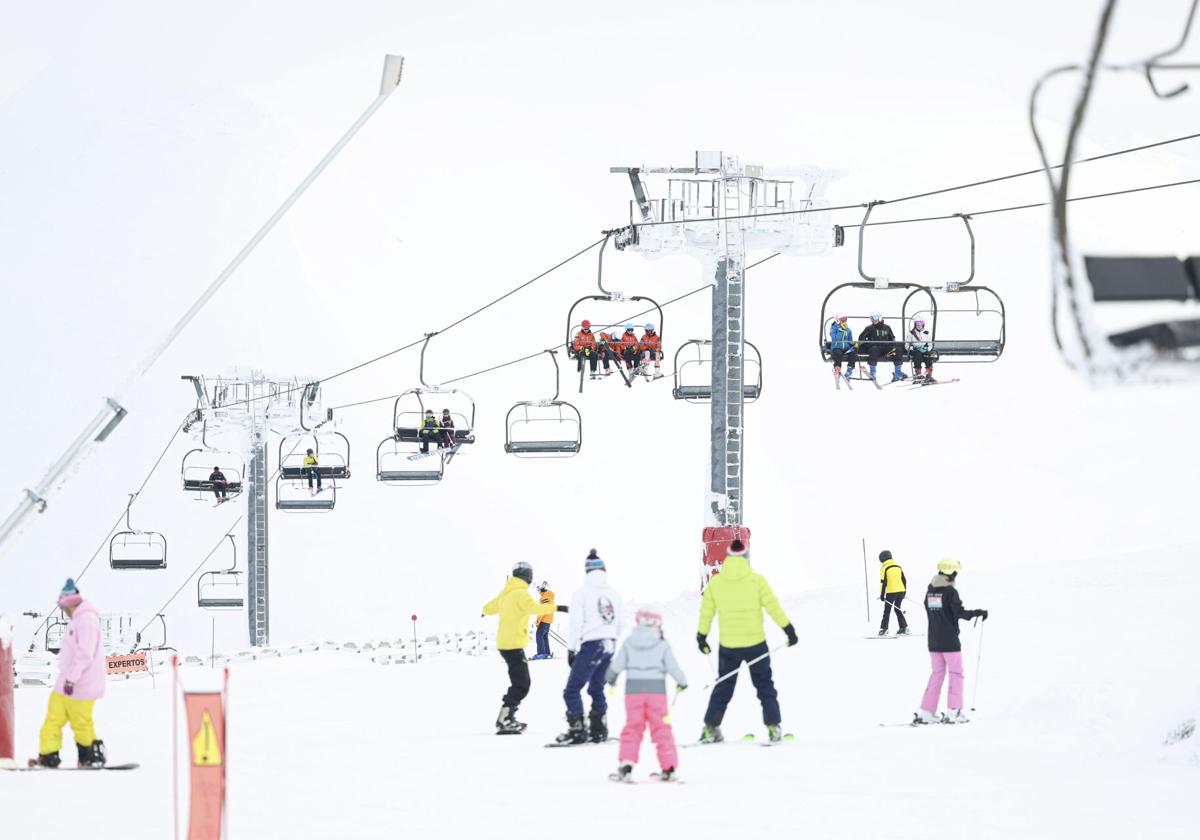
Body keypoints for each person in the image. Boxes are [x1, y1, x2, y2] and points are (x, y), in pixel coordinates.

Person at [696, 539, 797, 743]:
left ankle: (710, 728)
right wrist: (788, 630)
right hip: (756, 645)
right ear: (746, 557)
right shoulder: (756, 580)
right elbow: (773, 607)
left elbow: (707, 612)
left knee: (723, 687)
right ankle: (773, 727)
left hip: (728, 646)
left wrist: (702, 636)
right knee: (764, 686)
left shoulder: (716, 582)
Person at [30, 579, 106, 768]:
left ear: (70, 603)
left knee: (81, 722)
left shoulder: (87, 620)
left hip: (81, 684)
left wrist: (72, 678)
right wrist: (66, 678)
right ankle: (48, 756)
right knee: (52, 718)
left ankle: (89, 757)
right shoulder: (78, 620)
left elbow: (85, 654)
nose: (63, 610)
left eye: (63, 606)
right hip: (65, 683)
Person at [607, 610, 686, 783]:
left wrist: (611, 677)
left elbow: (617, 664)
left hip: (633, 692)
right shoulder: (662, 644)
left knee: (633, 727)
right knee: (661, 728)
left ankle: (626, 765)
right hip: (657, 692)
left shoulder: (629, 642)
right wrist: (682, 681)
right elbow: (673, 666)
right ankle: (669, 767)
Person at [556, 549, 624, 745]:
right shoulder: (614, 594)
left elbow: (576, 623)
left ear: (587, 571)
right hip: (610, 644)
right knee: (596, 687)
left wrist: (571, 649)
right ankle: (599, 729)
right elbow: (620, 622)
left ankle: (577, 729)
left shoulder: (582, 593)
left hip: (592, 644)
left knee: (572, 690)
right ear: (604, 569)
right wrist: (610, 638)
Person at [482, 561, 556, 734]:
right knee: (522, 683)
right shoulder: (521, 594)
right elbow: (535, 608)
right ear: (528, 577)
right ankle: (505, 718)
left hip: (505, 644)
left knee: (520, 681)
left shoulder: (507, 593)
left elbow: (492, 606)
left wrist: (484, 610)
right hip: (513, 644)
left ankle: (507, 716)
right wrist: (557, 607)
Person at [915, 558, 989, 725]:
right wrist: (978, 613)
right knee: (956, 674)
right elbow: (958, 613)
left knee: (937, 674)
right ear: (952, 574)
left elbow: (932, 610)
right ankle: (954, 711)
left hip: (933, 641)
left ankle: (926, 712)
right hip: (949, 642)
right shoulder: (950, 592)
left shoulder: (930, 590)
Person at [858, 311, 906, 383]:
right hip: (876, 348)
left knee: (898, 350)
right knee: (873, 350)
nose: (873, 320)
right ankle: (873, 373)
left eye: (875, 318)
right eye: (871, 318)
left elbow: (892, 338)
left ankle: (898, 373)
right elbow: (861, 338)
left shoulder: (887, 327)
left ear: (880, 318)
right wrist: (869, 344)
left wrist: (891, 345)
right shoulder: (869, 328)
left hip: (886, 348)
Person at [878, 550, 909, 636]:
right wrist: (904, 591)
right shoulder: (898, 567)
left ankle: (884, 629)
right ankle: (904, 628)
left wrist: (882, 594)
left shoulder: (884, 568)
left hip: (891, 592)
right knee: (897, 609)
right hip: (901, 591)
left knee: (887, 610)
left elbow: (883, 582)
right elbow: (904, 580)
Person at [531, 581, 556, 660]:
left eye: (539, 589)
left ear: (543, 589)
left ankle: (541, 653)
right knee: (544, 636)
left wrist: (538, 622)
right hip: (548, 619)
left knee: (539, 635)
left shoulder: (545, 597)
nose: (538, 591)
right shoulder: (549, 597)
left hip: (545, 619)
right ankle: (546, 653)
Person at [828, 315, 858, 380]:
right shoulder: (833, 328)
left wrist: (854, 344)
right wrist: (840, 330)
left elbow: (850, 339)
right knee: (838, 354)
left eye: (845, 319)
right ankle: (837, 368)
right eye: (842, 319)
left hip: (846, 348)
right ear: (838, 320)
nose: (844, 321)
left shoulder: (848, 329)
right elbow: (835, 338)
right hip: (836, 347)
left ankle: (849, 369)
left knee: (852, 352)